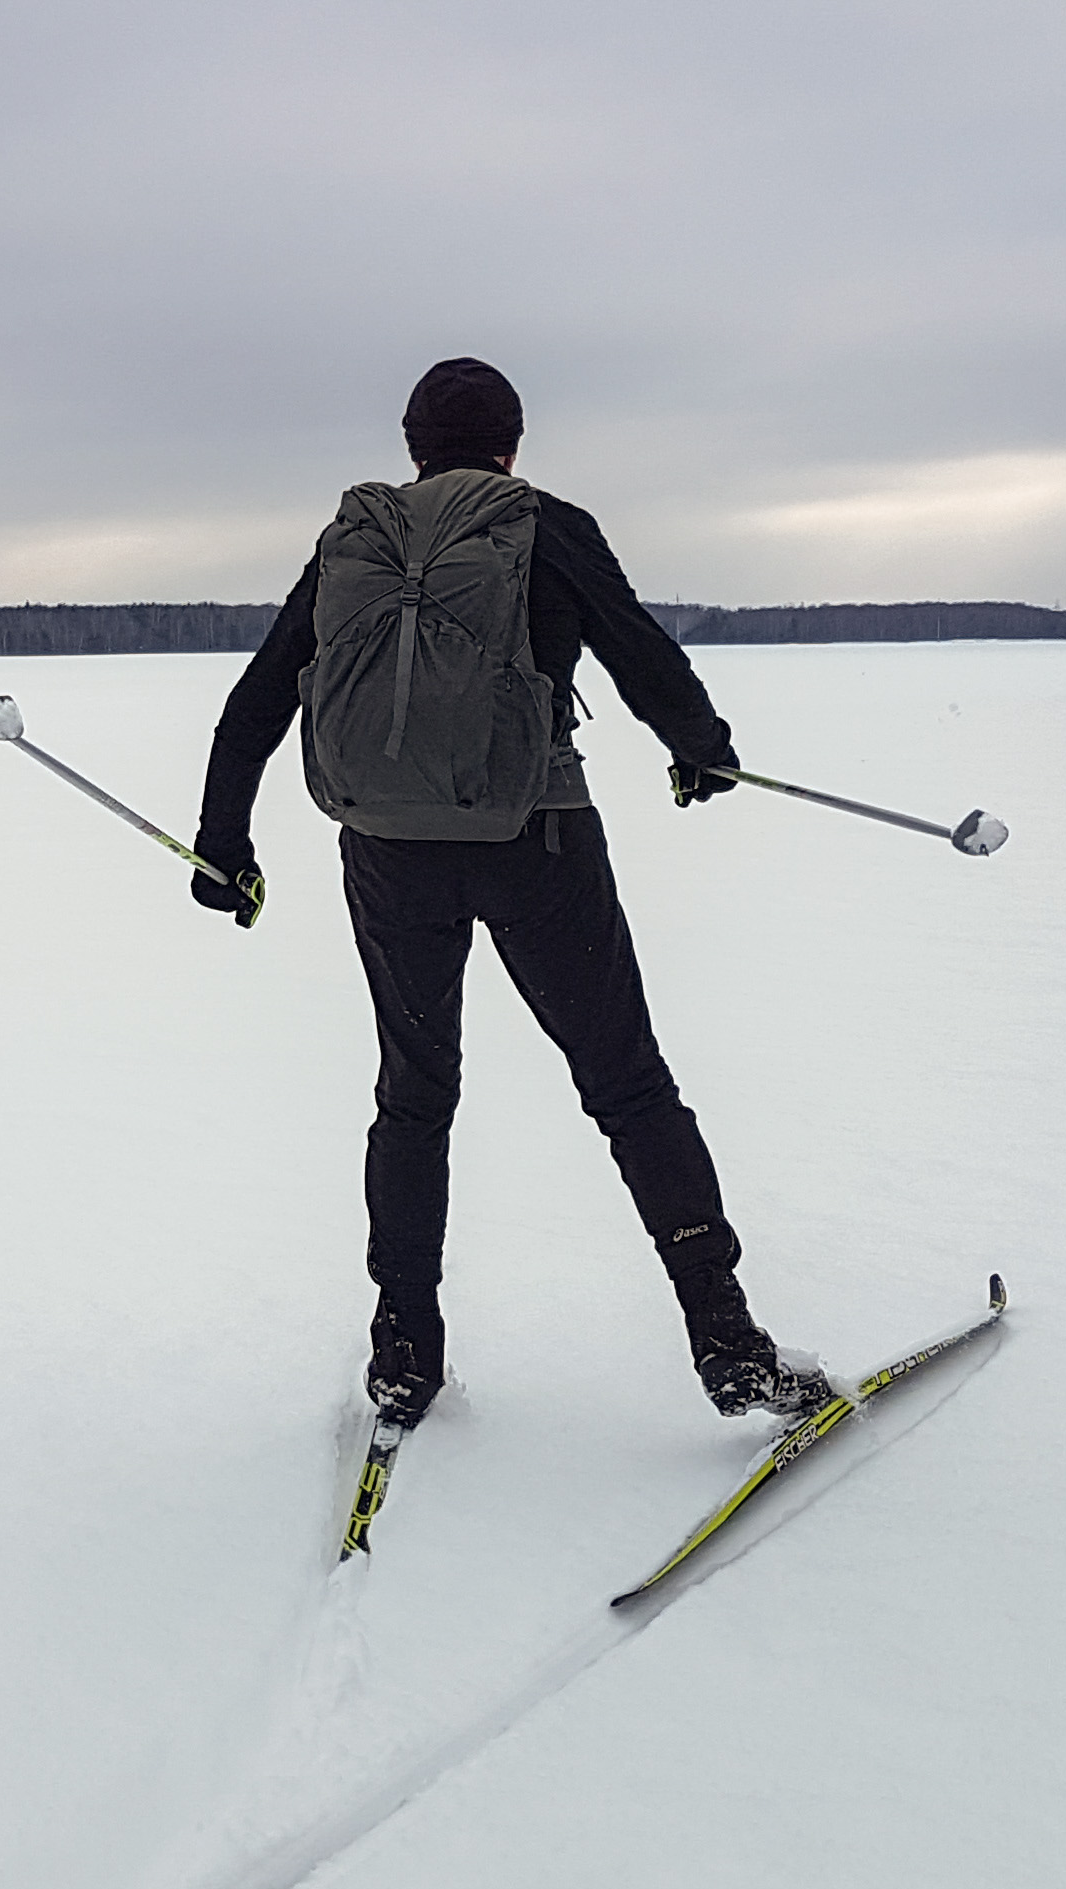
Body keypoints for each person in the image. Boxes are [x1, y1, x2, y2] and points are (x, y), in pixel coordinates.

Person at [193, 356, 827, 1433]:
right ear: (513, 444)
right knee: (628, 1086)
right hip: (539, 843)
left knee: (415, 1096)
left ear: (412, 446)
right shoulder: (545, 526)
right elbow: (639, 651)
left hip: (389, 854)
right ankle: (730, 1346)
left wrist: (224, 841)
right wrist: (701, 748)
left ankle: (404, 1353)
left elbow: (260, 695)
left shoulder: (358, 540)